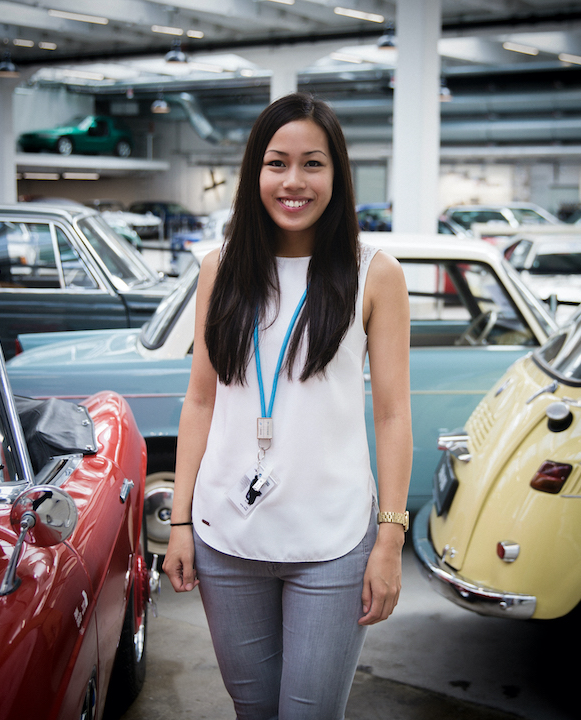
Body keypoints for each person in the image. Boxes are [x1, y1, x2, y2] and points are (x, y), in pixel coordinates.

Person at [163, 92, 412, 720]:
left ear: (338, 173)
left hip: (332, 545)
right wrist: (181, 522)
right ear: (255, 173)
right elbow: (199, 401)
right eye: (277, 163)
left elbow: (392, 415)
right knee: (252, 709)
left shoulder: (374, 274)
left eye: (313, 163)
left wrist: (388, 540)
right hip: (226, 538)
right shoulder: (220, 269)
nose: (293, 181)